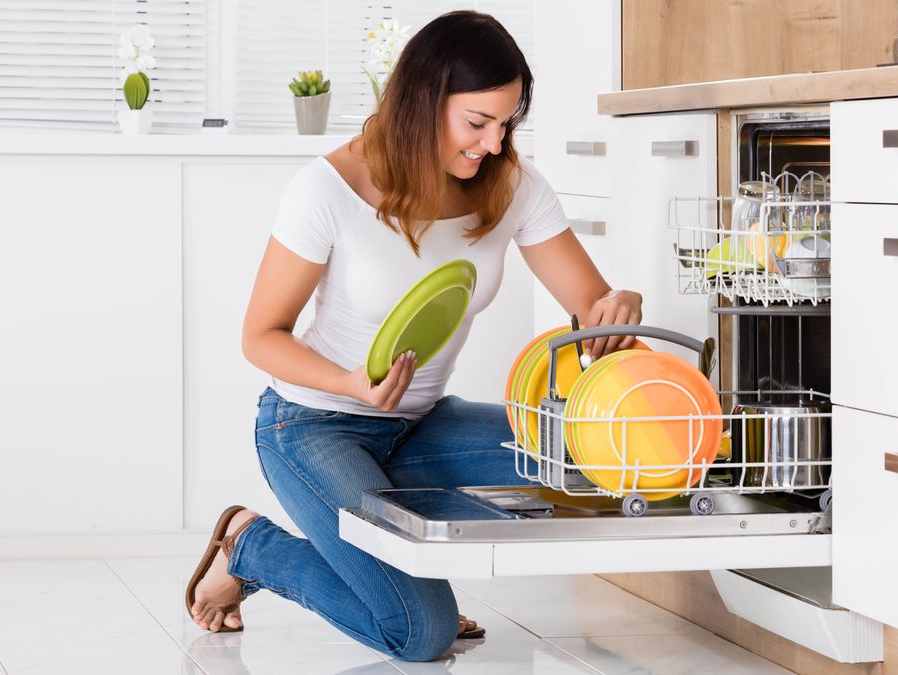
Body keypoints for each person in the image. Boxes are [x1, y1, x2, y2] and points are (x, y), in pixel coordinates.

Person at [182, 10, 643, 663]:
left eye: (507, 123)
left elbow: (592, 304)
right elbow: (260, 336)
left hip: (420, 428)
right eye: (477, 122)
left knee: (589, 448)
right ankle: (252, 547)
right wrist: (350, 383)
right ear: (422, 101)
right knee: (420, 632)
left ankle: (382, 553)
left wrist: (615, 305)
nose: (492, 143)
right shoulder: (328, 189)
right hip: (314, 427)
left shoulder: (512, 186)